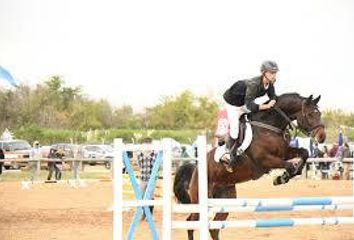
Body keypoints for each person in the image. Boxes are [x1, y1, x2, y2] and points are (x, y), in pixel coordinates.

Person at [223, 60, 279, 167]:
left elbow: (273, 96)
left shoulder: (269, 84)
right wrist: (266, 106)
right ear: (264, 73)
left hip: (243, 103)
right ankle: (228, 154)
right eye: (271, 73)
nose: (274, 75)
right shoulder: (254, 85)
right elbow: (250, 106)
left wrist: (273, 100)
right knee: (234, 132)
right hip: (233, 104)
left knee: (256, 118)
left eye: (275, 73)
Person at [137, 137, 158, 221]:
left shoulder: (155, 154)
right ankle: (144, 213)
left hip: (151, 179)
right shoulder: (140, 154)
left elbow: (157, 166)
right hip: (142, 177)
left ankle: (150, 215)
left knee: (150, 197)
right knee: (141, 196)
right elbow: (139, 165)